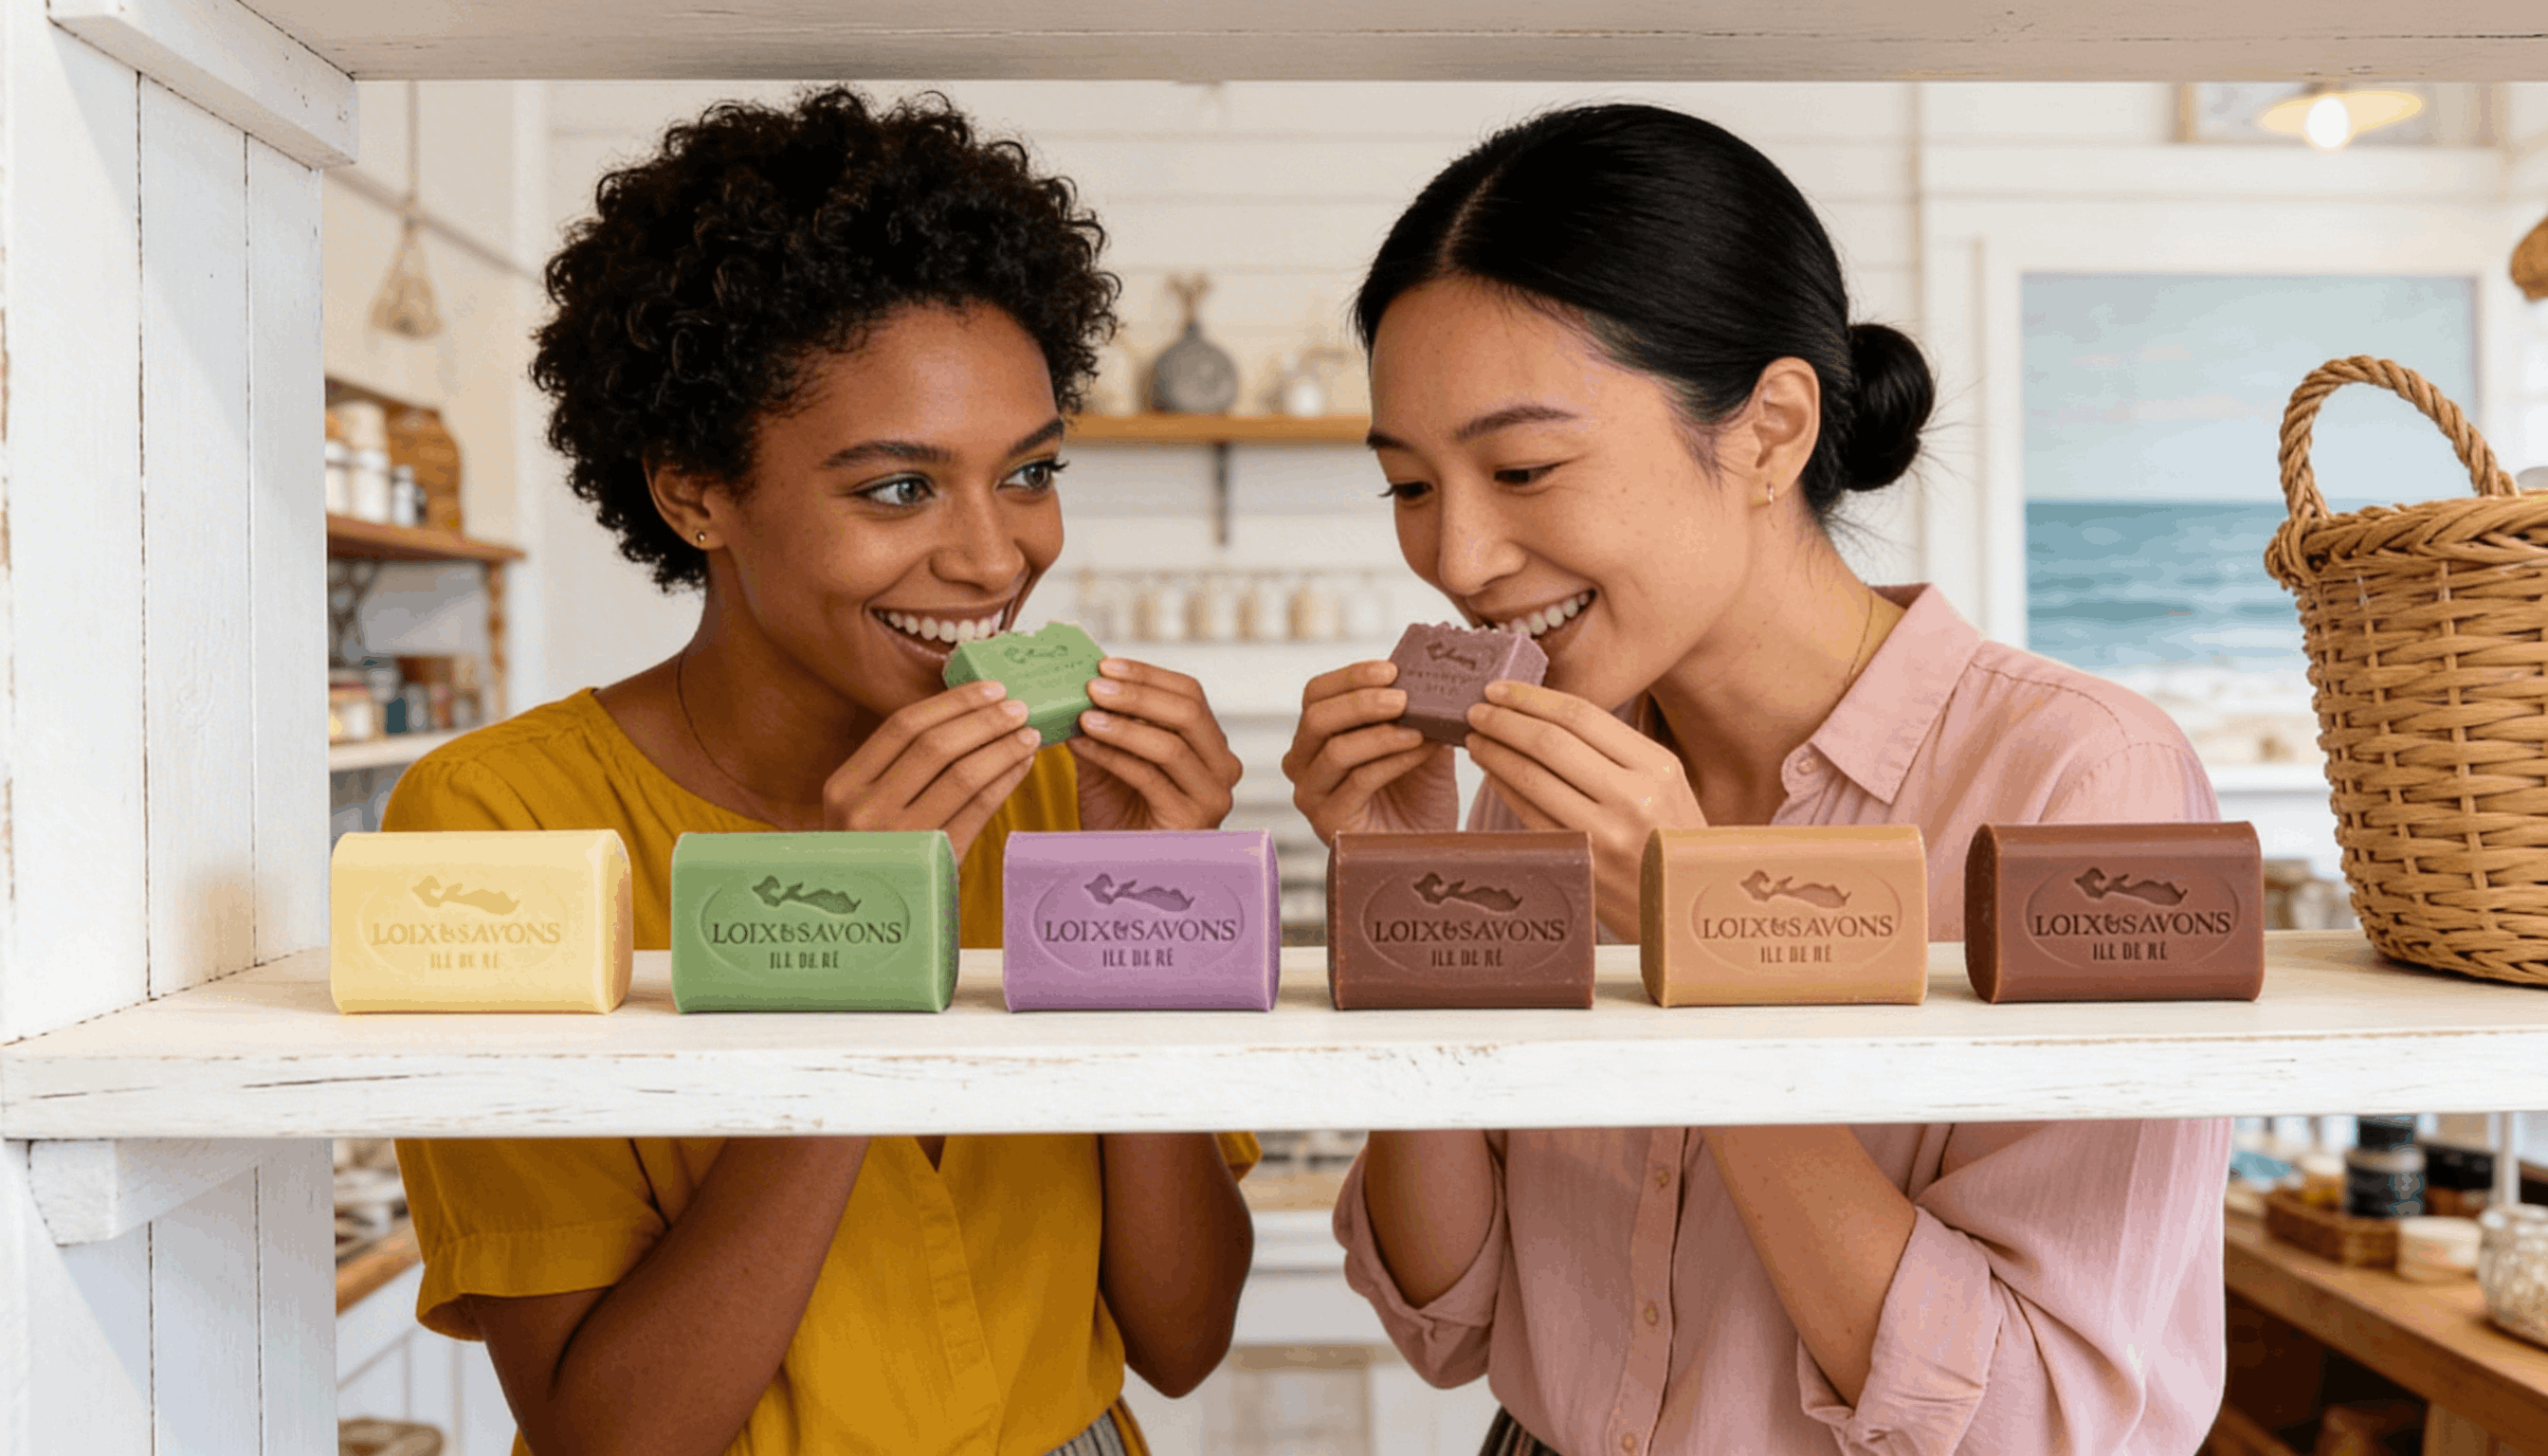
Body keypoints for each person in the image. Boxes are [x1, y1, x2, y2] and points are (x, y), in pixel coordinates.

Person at [1284, 102, 2228, 1455]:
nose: (1460, 559)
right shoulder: (1548, 767)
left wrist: (1708, 950)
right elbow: (1453, 1318)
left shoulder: (2078, 780)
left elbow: (2040, 1422)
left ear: (1772, 430)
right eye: (1410, 487)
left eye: (1524, 468)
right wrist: (1399, 903)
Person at [386, 87, 1255, 1456]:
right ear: (695, 494)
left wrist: (1138, 893)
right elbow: (608, 1436)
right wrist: (856, 949)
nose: (994, 558)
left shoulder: (1055, 789)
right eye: (899, 489)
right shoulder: (498, 827)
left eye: (1029, 471)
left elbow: (1183, 1340)